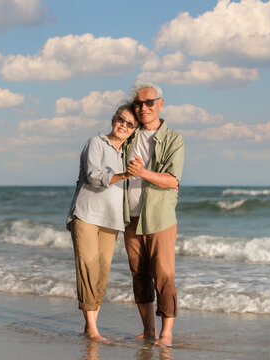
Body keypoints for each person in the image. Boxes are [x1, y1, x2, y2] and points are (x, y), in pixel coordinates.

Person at [67, 102, 139, 341]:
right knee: (88, 268)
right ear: (113, 119)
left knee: (102, 273)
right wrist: (124, 175)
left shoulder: (128, 152)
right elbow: (93, 176)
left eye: (130, 124)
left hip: (112, 219)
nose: (124, 126)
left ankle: (91, 327)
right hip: (86, 215)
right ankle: (93, 329)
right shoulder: (95, 142)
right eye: (121, 120)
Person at [124, 82, 185, 346]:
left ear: (160, 103)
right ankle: (148, 330)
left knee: (164, 275)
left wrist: (143, 173)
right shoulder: (130, 134)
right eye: (138, 103)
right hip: (130, 217)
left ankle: (166, 333)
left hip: (159, 218)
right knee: (139, 274)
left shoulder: (173, 139)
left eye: (149, 102)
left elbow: (173, 180)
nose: (143, 108)